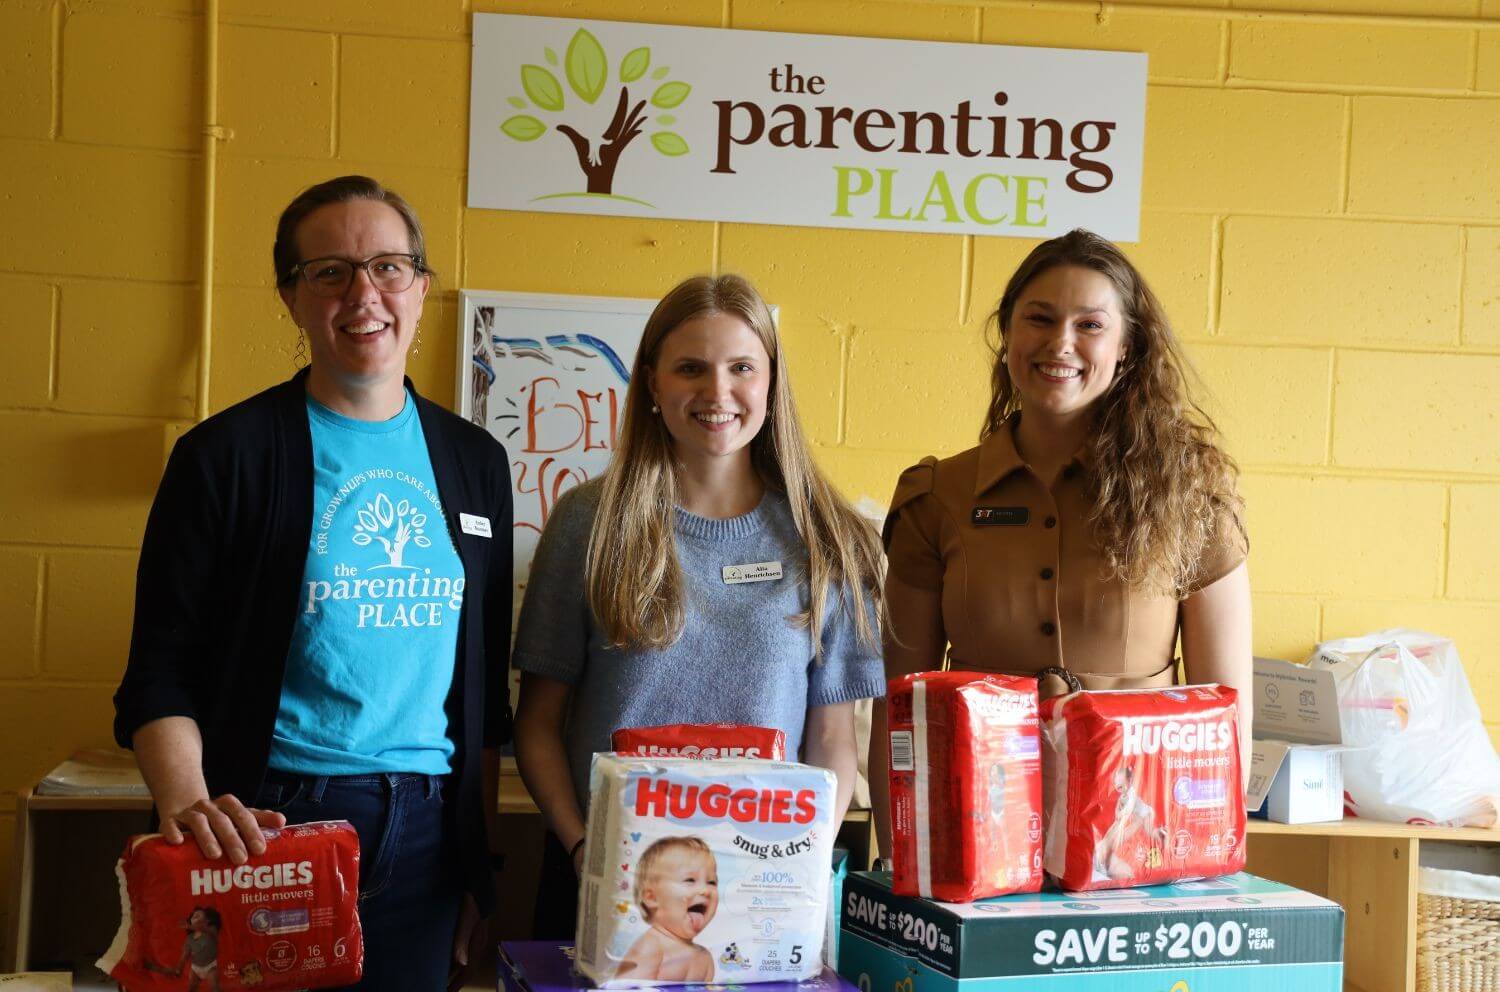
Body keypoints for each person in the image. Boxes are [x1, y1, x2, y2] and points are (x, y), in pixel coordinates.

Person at [113, 175, 514, 990]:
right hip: (269, 827)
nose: (363, 292)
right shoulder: (225, 458)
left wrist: (476, 864)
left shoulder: (476, 463)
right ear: (292, 299)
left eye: (389, 267)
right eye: (329, 271)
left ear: (422, 289)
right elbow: (159, 668)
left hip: (429, 834)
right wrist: (187, 803)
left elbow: (480, 700)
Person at [511, 274, 886, 937]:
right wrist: (582, 852)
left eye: (742, 367)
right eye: (691, 368)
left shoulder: (829, 537)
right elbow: (539, 724)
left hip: (760, 898)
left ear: (771, 383)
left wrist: (793, 863)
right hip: (601, 891)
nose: (718, 392)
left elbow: (830, 741)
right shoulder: (588, 524)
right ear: (653, 383)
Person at [873, 228, 1252, 857]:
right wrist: (899, 864)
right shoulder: (935, 496)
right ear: (1006, 335)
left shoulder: (1191, 494)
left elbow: (1224, 717)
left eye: (1090, 325)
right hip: (978, 830)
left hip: (1143, 833)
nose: (1061, 344)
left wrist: (1208, 862)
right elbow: (898, 712)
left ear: (1127, 347)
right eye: (1040, 319)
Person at [619, 836, 720, 982]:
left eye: (712, 882)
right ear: (651, 898)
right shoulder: (651, 948)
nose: (705, 890)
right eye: (690, 880)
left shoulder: (705, 958)